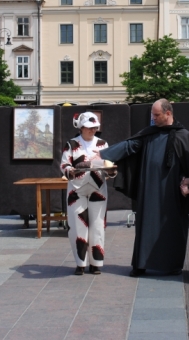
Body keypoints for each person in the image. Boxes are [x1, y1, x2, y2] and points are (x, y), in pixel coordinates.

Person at [103, 99, 189, 277]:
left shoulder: (183, 135)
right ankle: (141, 264)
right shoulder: (149, 133)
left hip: (172, 193)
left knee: (172, 228)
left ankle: (172, 265)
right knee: (145, 225)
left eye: (156, 115)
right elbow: (129, 145)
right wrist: (103, 155)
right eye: (152, 115)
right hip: (149, 189)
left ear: (168, 114)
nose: (153, 119)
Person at [60, 111, 110, 275]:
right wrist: (71, 170)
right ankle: (80, 263)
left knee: (97, 226)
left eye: (94, 127)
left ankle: (97, 263)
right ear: (81, 127)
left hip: (98, 188)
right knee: (76, 226)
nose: (92, 130)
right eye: (89, 127)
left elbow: (109, 165)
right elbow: (64, 165)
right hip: (77, 188)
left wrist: (111, 171)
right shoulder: (72, 144)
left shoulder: (102, 144)